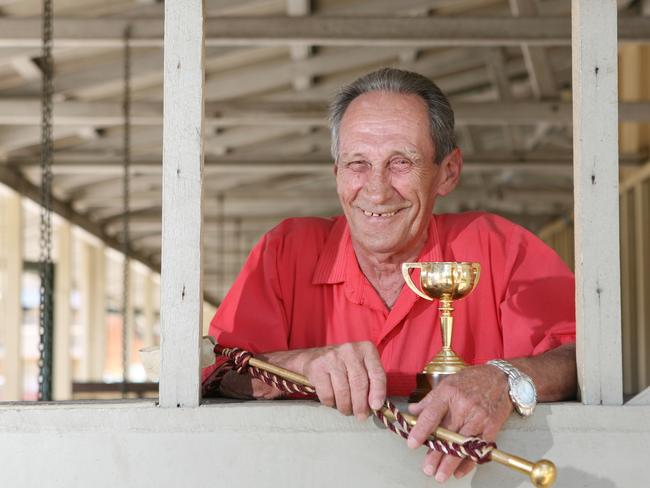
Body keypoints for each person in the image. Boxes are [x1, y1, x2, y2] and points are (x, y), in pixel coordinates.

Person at [202, 68, 577, 482]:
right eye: (358, 164)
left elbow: (579, 358)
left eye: (401, 162)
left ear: (448, 172)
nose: (377, 191)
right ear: (337, 173)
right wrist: (300, 365)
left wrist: (502, 380)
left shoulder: (501, 248)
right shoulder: (285, 250)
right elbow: (216, 373)